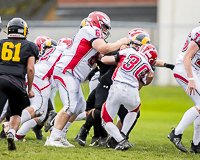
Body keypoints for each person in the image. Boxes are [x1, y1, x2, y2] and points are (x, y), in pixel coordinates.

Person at [44, 11, 129, 148]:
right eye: (104, 27)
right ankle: (53, 138)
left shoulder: (92, 36)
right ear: (97, 23)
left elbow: (104, 55)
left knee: (77, 108)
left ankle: (60, 135)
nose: (105, 30)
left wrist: (121, 51)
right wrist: (121, 42)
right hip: (67, 71)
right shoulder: (90, 29)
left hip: (72, 75)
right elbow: (105, 48)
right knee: (71, 106)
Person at [101, 43, 158, 150]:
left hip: (117, 87)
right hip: (133, 91)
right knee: (134, 110)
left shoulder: (129, 51)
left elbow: (115, 58)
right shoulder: (148, 66)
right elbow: (144, 82)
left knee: (106, 121)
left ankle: (121, 140)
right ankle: (123, 135)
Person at [0, 17, 38, 150]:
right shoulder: (30, 46)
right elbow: (30, 68)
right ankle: (11, 132)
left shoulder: (1, 43)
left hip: (1, 80)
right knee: (16, 113)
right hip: (17, 83)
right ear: (24, 31)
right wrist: (30, 89)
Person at [167, 26, 200, 153]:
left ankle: (196, 145)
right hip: (185, 69)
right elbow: (187, 57)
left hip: (195, 71)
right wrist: (191, 79)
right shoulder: (199, 33)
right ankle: (176, 133)